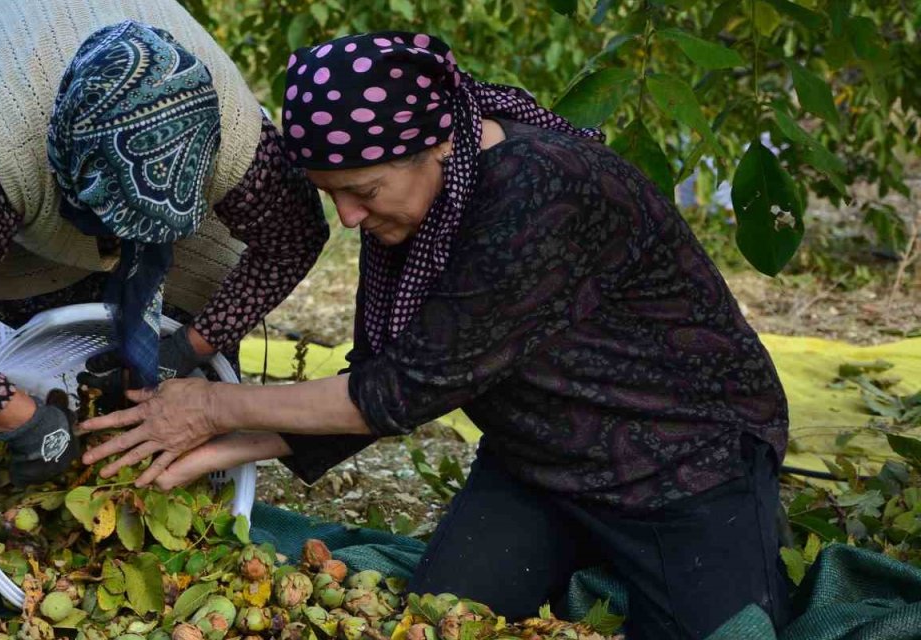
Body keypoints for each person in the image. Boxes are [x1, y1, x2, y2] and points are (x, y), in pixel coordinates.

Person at [77, 32, 791, 639]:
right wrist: (212, 452)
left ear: (437, 145)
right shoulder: (421, 203)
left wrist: (212, 409)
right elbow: (383, 372)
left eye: (364, 191)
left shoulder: (539, 195)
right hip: (538, 459)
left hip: (681, 461)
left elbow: (397, 391)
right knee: (441, 618)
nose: (349, 219)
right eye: (334, 196)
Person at [0, 1, 327, 636]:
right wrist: (17, 419)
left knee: (106, 331)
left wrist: (189, 346)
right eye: (111, 228)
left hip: (95, 161)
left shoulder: (236, 142)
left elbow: (293, 238)